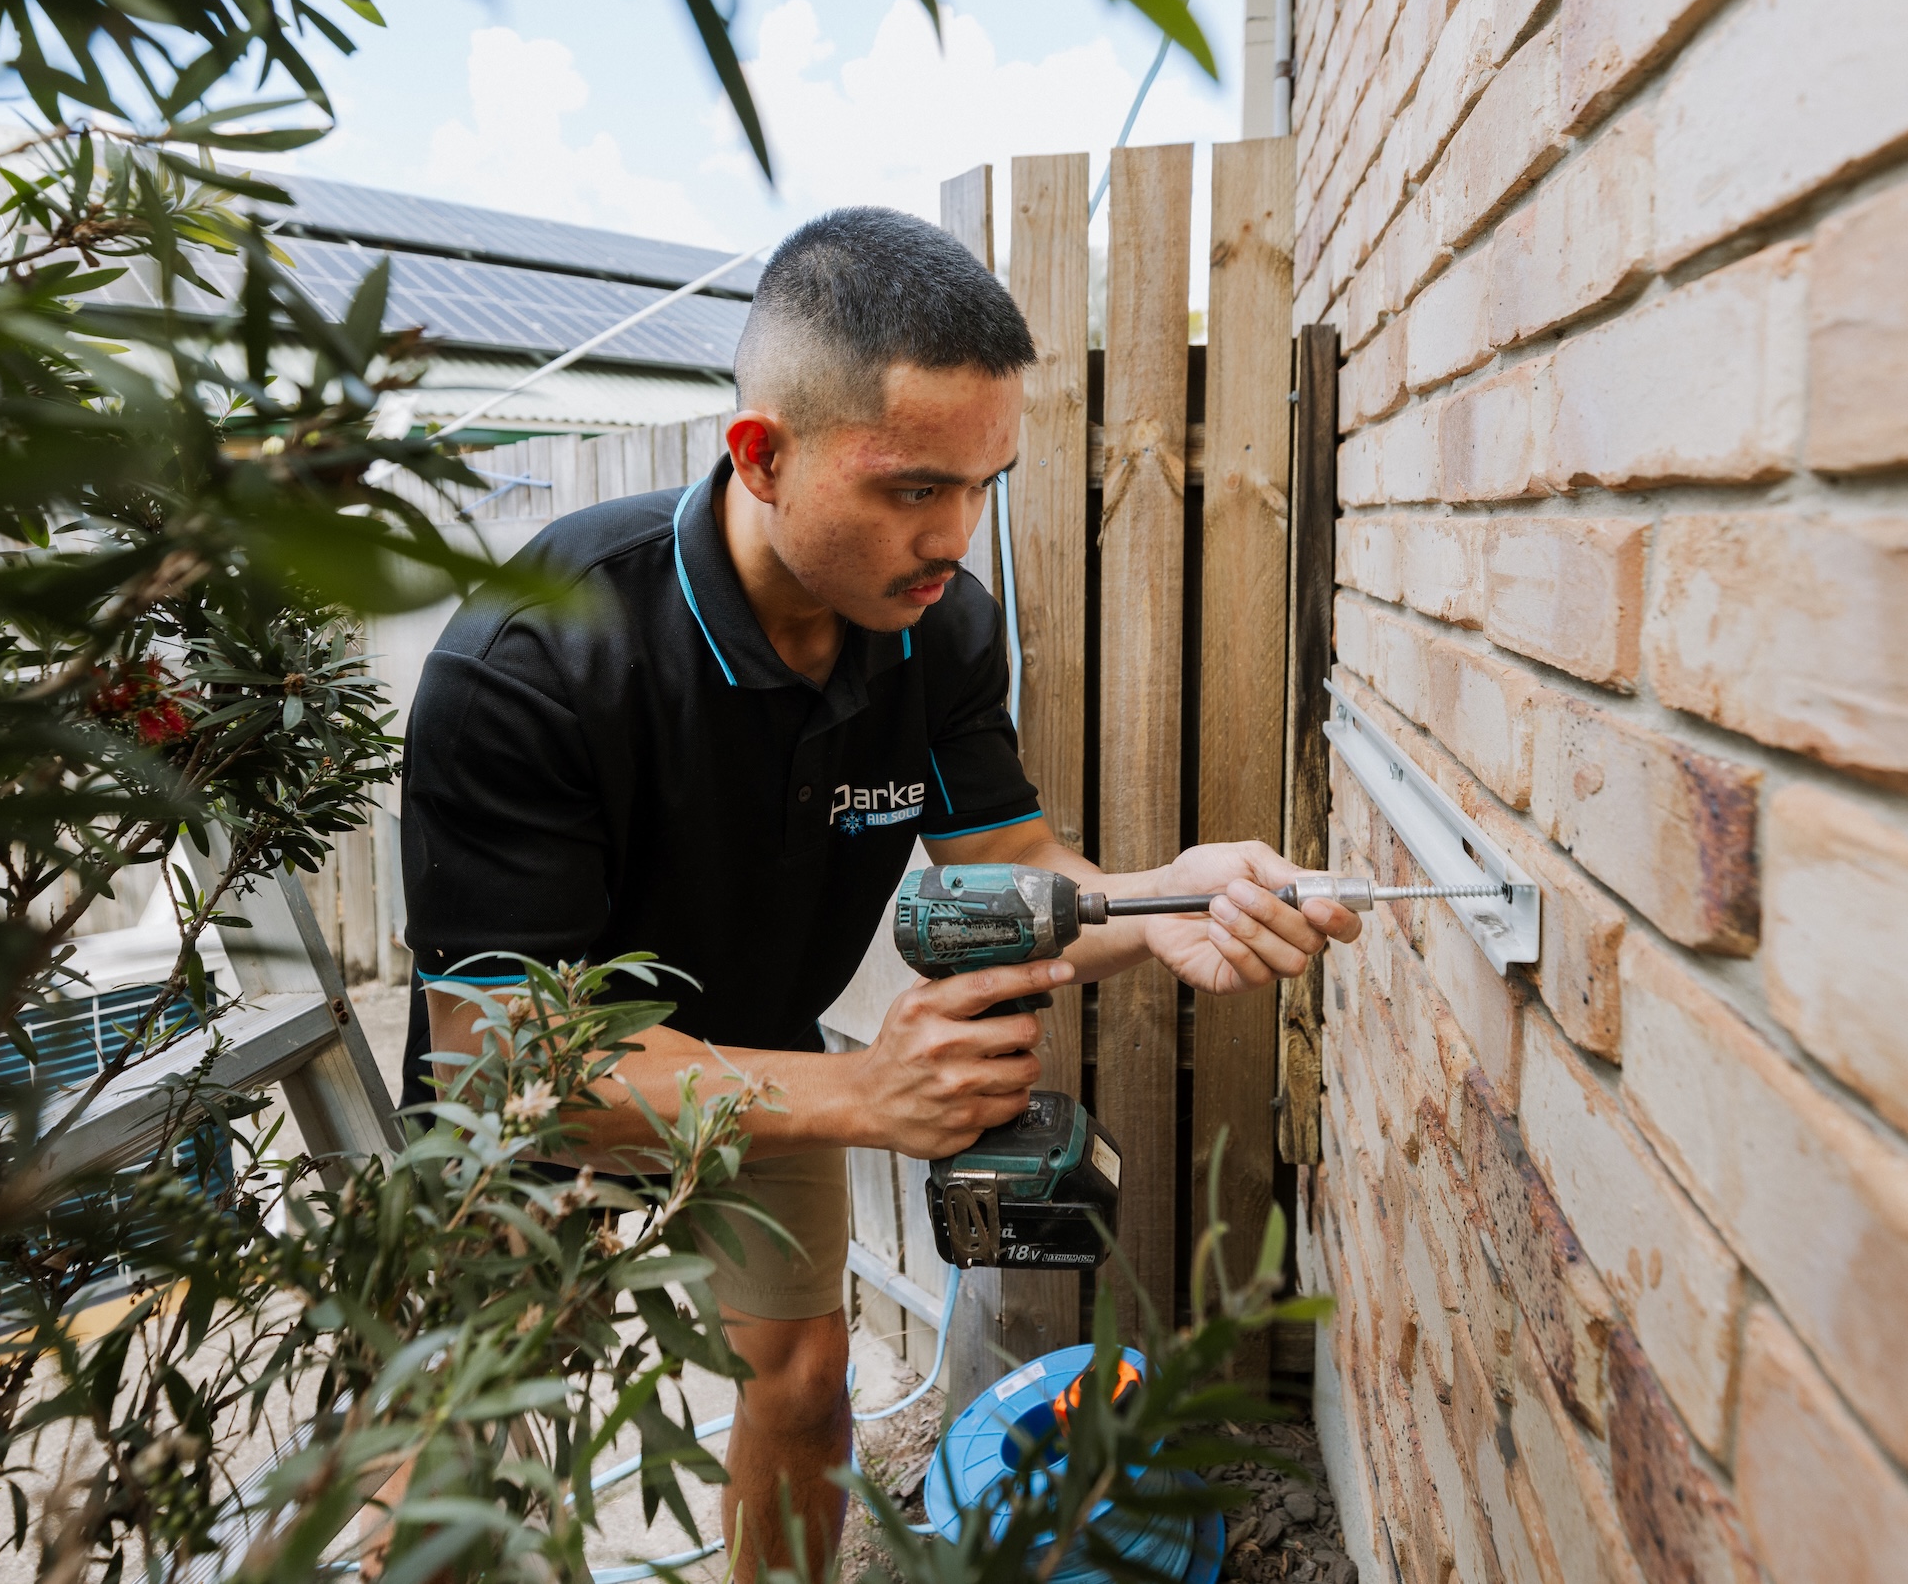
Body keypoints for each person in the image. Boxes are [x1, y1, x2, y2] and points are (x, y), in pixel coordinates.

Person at [390, 207, 1361, 1581]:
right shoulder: (535, 654)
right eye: (913, 488)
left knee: (799, 1388)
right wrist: (865, 1099)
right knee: (457, 1452)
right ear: (763, 454)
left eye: (984, 486)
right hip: (539, 1109)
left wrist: (1163, 904)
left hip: (767, 1070)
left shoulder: (935, 631)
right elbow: (501, 1055)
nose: (955, 536)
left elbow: (1016, 881)